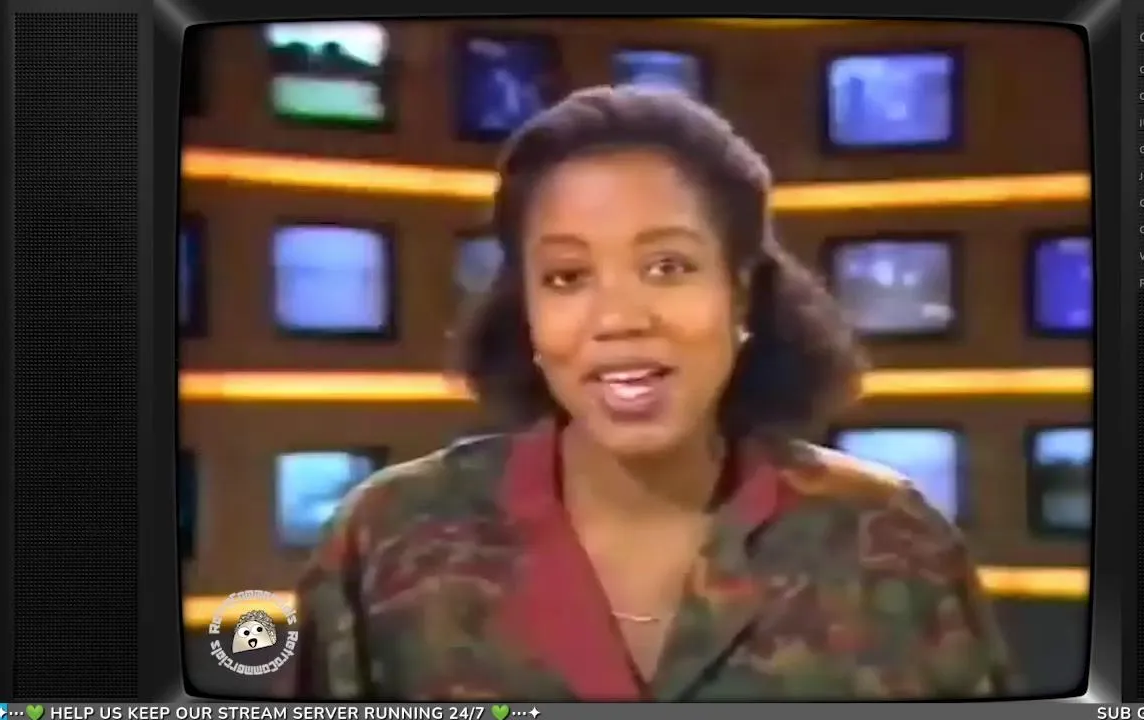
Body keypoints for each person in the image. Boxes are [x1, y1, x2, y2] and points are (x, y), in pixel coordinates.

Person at [283, 85, 1015, 701]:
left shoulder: (887, 541)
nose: (619, 319)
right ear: (526, 310)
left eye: (668, 267)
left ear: (741, 293)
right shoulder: (392, 539)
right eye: (567, 277)